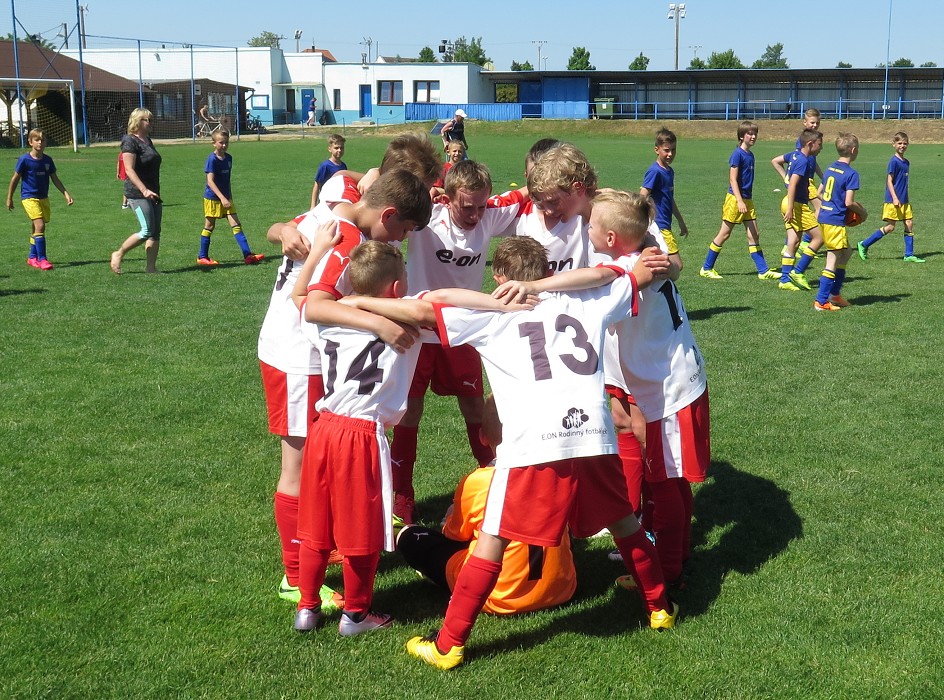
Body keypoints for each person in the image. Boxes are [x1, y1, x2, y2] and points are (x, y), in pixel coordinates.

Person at [354, 237, 678, 669]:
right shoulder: (588, 299)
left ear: (501, 277)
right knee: (624, 520)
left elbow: (419, 310)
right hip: (593, 434)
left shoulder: (492, 313)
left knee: (492, 539)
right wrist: (651, 260)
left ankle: (449, 645)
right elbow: (632, 276)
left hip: (534, 443)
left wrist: (352, 300)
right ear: (545, 269)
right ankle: (659, 607)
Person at [290, 237, 534, 637]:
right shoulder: (409, 321)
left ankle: (307, 607)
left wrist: (322, 256)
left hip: (324, 426)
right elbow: (440, 298)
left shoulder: (330, 315)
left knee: (318, 522)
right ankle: (355, 614)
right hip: (361, 433)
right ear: (396, 286)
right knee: (362, 527)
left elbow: (302, 295)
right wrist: (498, 301)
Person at [494, 190, 709, 590]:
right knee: (669, 477)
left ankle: (669, 568)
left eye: (591, 225)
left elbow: (596, 276)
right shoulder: (646, 245)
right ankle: (675, 553)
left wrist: (538, 284)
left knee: (665, 482)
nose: (586, 229)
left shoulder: (629, 263)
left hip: (671, 386)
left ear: (611, 239)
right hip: (671, 379)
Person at [257, 169, 432, 607]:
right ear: (388, 213)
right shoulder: (349, 241)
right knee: (298, 468)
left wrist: (281, 230)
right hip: (298, 355)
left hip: (309, 351)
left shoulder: (335, 207)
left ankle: (315, 551)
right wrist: (380, 324)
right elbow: (314, 306)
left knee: (321, 464)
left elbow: (282, 229)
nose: (401, 241)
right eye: (404, 230)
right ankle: (295, 576)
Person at [389, 160, 527, 523]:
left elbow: (532, 192)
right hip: (418, 330)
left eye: (482, 205)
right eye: (467, 206)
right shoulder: (426, 216)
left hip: (464, 331)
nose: (476, 214)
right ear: (447, 198)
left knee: (476, 411)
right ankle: (401, 498)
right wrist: (423, 188)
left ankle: (495, 478)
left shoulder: (490, 214)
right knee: (408, 414)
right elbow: (380, 184)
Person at [396, 394, 577, 616]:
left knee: (413, 538)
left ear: (482, 437)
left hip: (494, 595)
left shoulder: (478, 481)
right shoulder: (557, 471)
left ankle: (402, 534)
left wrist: (450, 516)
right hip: (561, 589)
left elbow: (454, 535)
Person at [699, 121, 779, 281]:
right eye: (750, 133)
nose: (753, 136)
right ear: (742, 136)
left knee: (754, 234)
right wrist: (740, 201)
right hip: (736, 200)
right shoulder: (738, 154)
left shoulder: (750, 155)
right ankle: (706, 268)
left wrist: (745, 201)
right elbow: (733, 179)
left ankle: (763, 270)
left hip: (747, 200)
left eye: (755, 133)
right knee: (725, 233)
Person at [813, 133, 867, 311]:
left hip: (824, 218)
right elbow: (849, 202)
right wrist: (863, 213)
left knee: (847, 252)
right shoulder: (851, 174)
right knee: (832, 261)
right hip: (834, 221)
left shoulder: (830, 168)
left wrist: (829, 205)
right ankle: (821, 301)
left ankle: (835, 295)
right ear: (853, 150)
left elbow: (819, 193)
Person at [6, 128, 73, 270]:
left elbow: (55, 179)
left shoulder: (48, 160)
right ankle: (43, 259)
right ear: (30, 142)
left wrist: (65, 193)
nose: (40, 142)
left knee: (36, 228)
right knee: (40, 225)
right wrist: (9, 198)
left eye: (43, 140)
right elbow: (15, 179)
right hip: (29, 198)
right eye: (37, 140)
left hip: (43, 198)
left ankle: (32, 257)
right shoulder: (24, 160)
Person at [196, 129, 265, 267]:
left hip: (226, 198)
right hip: (213, 198)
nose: (224, 145)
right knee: (209, 226)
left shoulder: (229, 158)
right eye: (221, 143)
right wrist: (222, 198)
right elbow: (210, 181)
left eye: (226, 143)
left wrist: (229, 197)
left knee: (236, 224)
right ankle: (202, 256)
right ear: (213, 143)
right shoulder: (212, 159)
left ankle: (248, 255)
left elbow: (227, 181)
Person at [857, 132, 925, 263]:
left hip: (904, 200)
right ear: (893, 144)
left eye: (905, 143)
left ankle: (909, 255)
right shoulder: (893, 162)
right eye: (899, 143)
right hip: (894, 200)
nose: (902, 146)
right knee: (890, 227)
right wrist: (894, 197)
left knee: (909, 223)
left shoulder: (906, 162)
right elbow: (889, 181)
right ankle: (864, 244)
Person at [110, 108, 163, 274]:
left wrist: (151, 190)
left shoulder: (147, 140)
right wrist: (144, 190)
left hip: (153, 191)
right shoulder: (129, 141)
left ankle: (151, 268)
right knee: (146, 229)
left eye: (151, 120)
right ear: (137, 122)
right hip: (137, 193)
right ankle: (119, 253)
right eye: (147, 120)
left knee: (155, 231)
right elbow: (129, 170)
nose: (151, 123)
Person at [771, 108, 824, 258]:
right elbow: (797, 162)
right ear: (805, 122)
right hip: (804, 182)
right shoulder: (805, 144)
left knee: (799, 222)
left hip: (806, 182)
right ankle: (806, 241)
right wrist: (787, 178)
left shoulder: (814, 141)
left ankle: (796, 245)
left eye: (817, 123)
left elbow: (813, 162)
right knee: (820, 209)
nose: (815, 125)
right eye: (812, 122)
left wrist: (822, 175)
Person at [777, 128, 824, 292]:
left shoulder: (795, 154)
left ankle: (784, 279)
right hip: (796, 205)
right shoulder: (803, 160)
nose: (821, 148)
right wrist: (790, 208)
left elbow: (777, 163)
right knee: (819, 238)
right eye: (819, 144)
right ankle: (798, 271)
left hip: (788, 202)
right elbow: (793, 185)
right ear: (810, 144)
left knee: (794, 242)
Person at [640, 128, 688, 271]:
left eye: (673, 150)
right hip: (659, 225)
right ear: (657, 149)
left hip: (665, 224)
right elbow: (642, 195)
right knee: (676, 265)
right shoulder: (655, 171)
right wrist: (641, 220)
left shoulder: (669, 171)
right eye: (666, 150)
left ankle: (651, 285)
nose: (670, 154)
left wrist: (680, 221)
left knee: (660, 263)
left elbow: (669, 199)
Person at [310, 134, 347, 210]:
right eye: (336, 148)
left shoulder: (343, 166)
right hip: (327, 203)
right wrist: (313, 206)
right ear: (330, 149)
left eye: (341, 148)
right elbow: (317, 185)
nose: (339, 150)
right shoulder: (325, 166)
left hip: (339, 202)